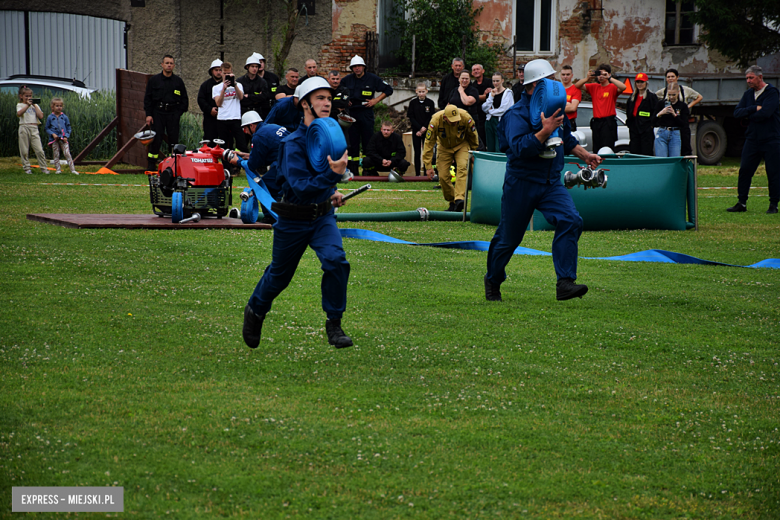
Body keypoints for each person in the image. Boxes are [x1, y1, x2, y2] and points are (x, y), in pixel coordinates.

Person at [241, 77, 354, 350]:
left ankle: (334, 323)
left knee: (336, 261)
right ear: (305, 104)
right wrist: (332, 176)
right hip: (292, 218)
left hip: (322, 217)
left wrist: (330, 192)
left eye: (329, 98)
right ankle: (255, 309)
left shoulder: (327, 135)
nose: (327, 103)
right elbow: (302, 187)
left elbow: (321, 178)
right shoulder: (291, 144)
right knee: (280, 276)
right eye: (320, 98)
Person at [484, 58, 603, 303]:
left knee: (571, 219)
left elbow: (567, 138)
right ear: (536, 85)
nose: (554, 84)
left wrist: (585, 154)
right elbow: (518, 148)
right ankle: (493, 280)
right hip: (521, 183)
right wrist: (544, 131)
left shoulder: (554, 108)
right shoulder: (515, 114)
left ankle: (565, 282)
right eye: (549, 80)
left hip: (550, 182)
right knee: (509, 239)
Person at [726, 65, 780, 214]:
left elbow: (766, 113)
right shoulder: (748, 94)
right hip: (752, 139)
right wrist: (752, 109)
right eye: (747, 78)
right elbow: (737, 113)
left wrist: (748, 114)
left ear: (760, 77)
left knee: (773, 172)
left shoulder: (772, 93)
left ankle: (773, 204)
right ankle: (741, 203)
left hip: (771, 139)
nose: (748, 81)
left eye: (751, 78)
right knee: (745, 170)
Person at [228, 110, 290, 224]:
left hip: (284, 162)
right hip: (294, 160)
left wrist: (238, 162)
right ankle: (280, 212)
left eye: (245, 128)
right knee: (278, 184)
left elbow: (253, 165)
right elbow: (263, 155)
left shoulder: (258, 136)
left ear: (251, 125)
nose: (245, 132)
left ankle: (271, 216)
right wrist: (244, 155)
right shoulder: (271, 127)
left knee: (264, 184)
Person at [341, 55, 393, 174]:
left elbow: (388, 89)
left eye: (359, 66)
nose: (357, 68)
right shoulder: (346, 80)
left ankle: (368, 169)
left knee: (368, 143)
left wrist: (376, 100)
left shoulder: (373, 79)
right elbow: (339, 92)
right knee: (352, 143)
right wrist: (344, 100)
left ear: (364, 67)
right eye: (354, 67)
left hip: (366, 113)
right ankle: (352, 170)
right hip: (351, 114)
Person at [423, 104, 479, 212]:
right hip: (444, 147)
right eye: (452, 120)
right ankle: (452, 201)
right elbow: (429, 143)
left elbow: (473, 135)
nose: (455, 122)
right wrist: (428, 166)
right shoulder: (435, 120)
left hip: (461, 144)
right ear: (445, 118)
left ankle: (459, 199)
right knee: (443, 176)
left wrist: (474, 151)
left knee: (462, 168)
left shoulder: (466, 117)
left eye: (456, 120)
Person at [143, 54, 189, 171]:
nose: (169, 65)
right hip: (158, 113)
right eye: (167, 63)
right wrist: (149, 114)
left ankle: (172, 165)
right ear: (162, 65)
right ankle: (151, 164)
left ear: (174, 65)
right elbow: (148, 99)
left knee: (173, 140)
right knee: (156, 139)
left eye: (171, 63)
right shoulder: (154, 80)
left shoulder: (178, 82)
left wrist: (178, 113)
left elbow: (184, 100)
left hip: (173, 114)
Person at [573, 63, 626, 152]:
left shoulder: (612, 87)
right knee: (597, 149)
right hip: (597, 122)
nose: (601, 76)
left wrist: (609, 78)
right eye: (599, 74)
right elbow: (577, 86)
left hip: (608, 122)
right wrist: (587, 78)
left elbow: (623, 87)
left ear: (609, 74)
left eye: (604, 74)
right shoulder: (594, 87)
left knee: (607, 148)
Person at [656, 68, 703, 156]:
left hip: (682, 121)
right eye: (668, 77)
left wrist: (687, 106)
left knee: (685, 148)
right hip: (670, 123)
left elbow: (699, 97)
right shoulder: (663, 91)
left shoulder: (685, 89)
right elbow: (654, 97)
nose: (670, 79)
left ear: (677, 77)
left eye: (672, 76)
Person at [212, 62, 247, 152]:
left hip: (235, 117)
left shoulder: (239, 85)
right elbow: (218, 104)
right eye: (225, 73)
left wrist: (234, 84)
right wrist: (223, 89)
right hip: (222, 119)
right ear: (221, 73)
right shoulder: (216, 88)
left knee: (241, 143)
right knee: (225, 144)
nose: (227, 75)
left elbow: (241, 97)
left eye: (229, 73)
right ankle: (227, 165)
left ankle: (241, 163)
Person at [16, 86, 48, 175]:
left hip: (34, 128)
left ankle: (44, 168)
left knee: (39, 150)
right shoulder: (20, 105)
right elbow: (19, 114)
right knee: (24, 150)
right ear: (21, 96)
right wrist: (27, 105)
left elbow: (41, 116)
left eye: (30, 96)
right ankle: (26, 168)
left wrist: (34, 105)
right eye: (26, 96)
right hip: (24, 127)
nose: (28, 98)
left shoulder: (35, 106)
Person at [652, 83, 689, 157]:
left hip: (675, 133)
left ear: (678, 92)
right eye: (669, 95)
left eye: (673, 95)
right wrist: (660, 113)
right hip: (662, 132)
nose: (671, 97)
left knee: (674, 159)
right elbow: (652, 121)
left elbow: (683, 124)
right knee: (661, 160)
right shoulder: (661, 104)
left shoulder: (682, 106)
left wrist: (674, 114)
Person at [44, 97, 79, 175]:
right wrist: (52, 134)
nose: (59, 107)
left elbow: (68, 128)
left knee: (67, 153)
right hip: (54, 139)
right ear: (52, 107)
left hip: (63, 139)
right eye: (57, 106)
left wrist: (66, 136)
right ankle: (58, 170)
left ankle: (73, 170)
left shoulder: (64, 117)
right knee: (56, 154)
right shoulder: (50, 117)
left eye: (60, 106)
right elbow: (47, 128)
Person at [407, 82, 435, 176]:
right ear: (416, 92)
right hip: (416, 131)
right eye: (420, 91)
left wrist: (424, 128)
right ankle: (417, 173)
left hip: (427, 131)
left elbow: (431, 117)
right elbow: (411, 117)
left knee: (426, 152)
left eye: (423, 91)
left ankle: (427, 172)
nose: (421, 93)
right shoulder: (413, 103)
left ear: (426, 91)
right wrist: (419, 129)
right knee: (417, 152)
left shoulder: (430, 103)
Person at [626, 73, 658, 155]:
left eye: (642, 82)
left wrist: (651, 124)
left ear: (646, 83)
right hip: (634, 129)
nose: (639, 84)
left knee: (646, 151)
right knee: (634, 151)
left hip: (646, 129)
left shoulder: (651, 97)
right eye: (638, 82)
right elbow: (628, 111)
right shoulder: (632, 97)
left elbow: (655, 112)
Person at [482, 72, 514, 153]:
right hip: (489, 122)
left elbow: (504, 110)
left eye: (497, 81)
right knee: (490, 148)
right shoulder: (491, 93)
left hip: (500, 122)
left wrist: (490, 111)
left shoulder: (508, 93)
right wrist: (491, 96)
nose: (495, 83)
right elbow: (484, 107)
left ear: (502, 80)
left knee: (499, 148)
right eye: (493, 81)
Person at [197, 59, 223, 143]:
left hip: (224, 118)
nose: (218, 72)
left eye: (220, 70)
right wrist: (210, 109)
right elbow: (201, 99)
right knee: (209, 140)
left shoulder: (227, 85)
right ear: (211, 71)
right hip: (210, 119)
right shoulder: (205, 85)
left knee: (224, 140)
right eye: (216, 70)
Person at [327, 70, 351, 149]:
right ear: (328, 80)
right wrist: (336, 105)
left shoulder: (345, 90)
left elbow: (343, 103)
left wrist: (330, 103)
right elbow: (322, 104)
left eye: (337, 79)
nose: (335, 81)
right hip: (328, 120)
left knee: (344, 145)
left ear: (340, 79)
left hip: (341, 121)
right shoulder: (325, 90)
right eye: (333, 79)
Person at [253, 53, 280, 118]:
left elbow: (278, 93)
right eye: (258, 63)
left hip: (272, 110)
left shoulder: (273, 77)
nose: (260, 64)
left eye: (261, 62)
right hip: (257, 112)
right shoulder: (250, 80)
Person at [471, 63, 491, 150]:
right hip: (477, 116)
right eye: (474, 70)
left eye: (477, 69)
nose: (476, 71)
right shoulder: (472, 86)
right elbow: (473, 99)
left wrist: (478, 97)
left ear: (483, 71)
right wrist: (484, 96)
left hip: (489, 115)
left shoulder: (490, 82)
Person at [560, 65, 581, 131]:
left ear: (572, 75)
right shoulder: (557, 88)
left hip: (569, 122)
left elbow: (572, 108)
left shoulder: (576, 89)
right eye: (563, 74)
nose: (565, 77)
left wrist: (558, 107)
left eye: (567, 74)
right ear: (560, 75)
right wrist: (567, 104)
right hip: (557, 122)